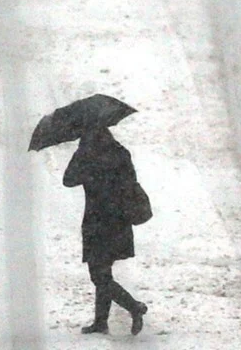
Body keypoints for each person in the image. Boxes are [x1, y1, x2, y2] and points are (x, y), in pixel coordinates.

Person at [63, 126, 149, 334]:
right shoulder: (120, 153)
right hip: (118, 220)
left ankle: (134, 307)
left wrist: (81, 158)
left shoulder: (86, 157)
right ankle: (101, 322)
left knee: (99, 275)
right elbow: (130, 182)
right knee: (103, 272)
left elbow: (68, 180)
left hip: (97, 221)